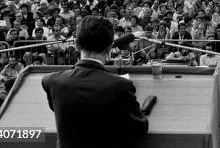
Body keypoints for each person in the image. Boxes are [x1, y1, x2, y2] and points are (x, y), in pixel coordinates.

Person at [41, 16, 148, 148]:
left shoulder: (51, 81)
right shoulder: (120, 86)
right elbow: (140, 127)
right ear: (109, 48)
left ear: (76, 45)